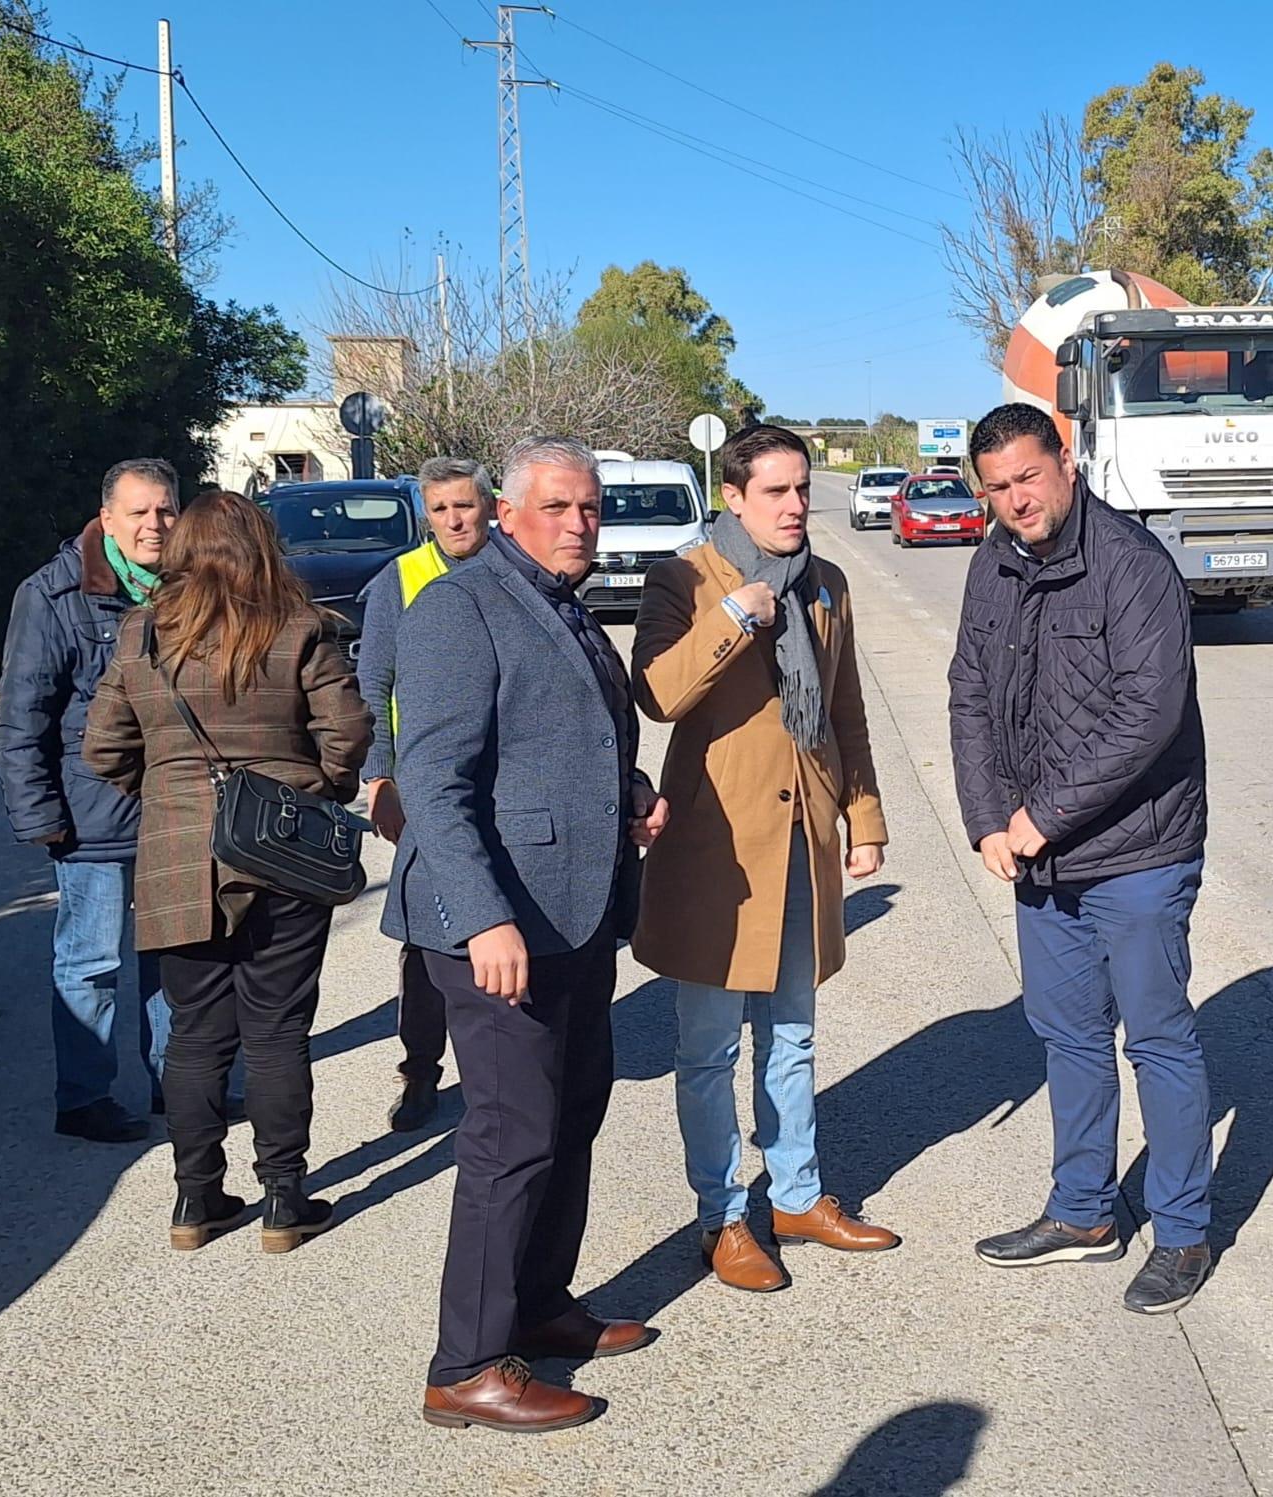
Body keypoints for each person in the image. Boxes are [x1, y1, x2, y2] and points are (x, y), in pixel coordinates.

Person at [386, 437, 667, 1435]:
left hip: (576, 915)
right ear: (507, 514)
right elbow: (432, 782)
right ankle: (463, 1366)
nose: (578, 524)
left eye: (589, 508)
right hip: (497, 927)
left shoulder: (564, 606)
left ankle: (537, 1307)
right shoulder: (457, 611)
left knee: (569, 1116)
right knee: (511, 1138)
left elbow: (568, 746)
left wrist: (626, 795)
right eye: (556, 508)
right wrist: (485, 915)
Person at [947, 403, 1215, 1316]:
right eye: (998, 486)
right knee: (1066, 1036)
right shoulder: (993, 564)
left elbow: (1150, 711)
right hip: (1040, 857)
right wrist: (988, 816)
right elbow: (970, 693)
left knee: (1156, 1040)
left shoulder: (1133, 566)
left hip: (1138, 851)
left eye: (1028, 475)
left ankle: (1181, 1232)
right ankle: (1084, 1212)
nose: (1017, 498)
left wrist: (1041, 816)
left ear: (1065, 463)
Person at [633, 422, 898, 1295]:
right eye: (776, 491)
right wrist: (736, 615)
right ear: (734, 497)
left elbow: (845, 708)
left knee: (793, 1033)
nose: (795, 506)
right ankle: (721, 1215)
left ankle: (796, 1193)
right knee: (708, 1047)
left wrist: (863, 817)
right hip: (719, 851)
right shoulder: (683, 578)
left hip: (802, 841)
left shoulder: (828, 584)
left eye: (802, 487)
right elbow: (660, 693)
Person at [83, 491, 371, 1254]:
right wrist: (321, 790)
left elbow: (103, 748)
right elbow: (348, 730)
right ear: (261, 546)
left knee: (196, 1036)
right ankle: (283, 1197)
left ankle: (195, 1199)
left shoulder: (141, 633)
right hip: (283, 847)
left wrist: (169, 795)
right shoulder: (299, 624)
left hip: (179, 853)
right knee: (277, 1031)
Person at [0, 458, 180, 1143]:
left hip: (174, 814)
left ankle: (179, 1084)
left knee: (176, 957)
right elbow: (23, 716)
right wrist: (39, 816)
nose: (153, 525)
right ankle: (83, 1098)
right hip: (90, 815)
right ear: (106, 518)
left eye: (164, 510)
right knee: (89, 961)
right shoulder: (51, 596)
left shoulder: (186, 588)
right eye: (137, 512)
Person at [355, 456, 496, 1133]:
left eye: (464, 505)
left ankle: (500, 1062)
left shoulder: (516, 569)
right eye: (439, 509)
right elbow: (372, 686)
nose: (454, 520)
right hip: (426, 786)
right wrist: (379, 777)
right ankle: (420, 1068)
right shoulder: (399, 581)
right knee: (426, 935)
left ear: (490, 506)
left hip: (506, 779)